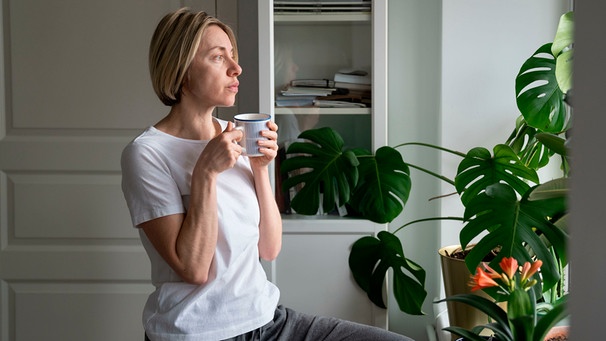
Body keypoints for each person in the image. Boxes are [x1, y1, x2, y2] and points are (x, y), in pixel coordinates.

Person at [121, 8, 414, 341]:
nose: (236, 68)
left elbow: (269, 248)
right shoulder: (147, 154)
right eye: (219, 58)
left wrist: (262, 170)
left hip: (268, 320)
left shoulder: (235, 133)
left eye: (233, 55)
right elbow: (194, 269)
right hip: (197, 331)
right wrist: (205, 173)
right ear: (182, 72)